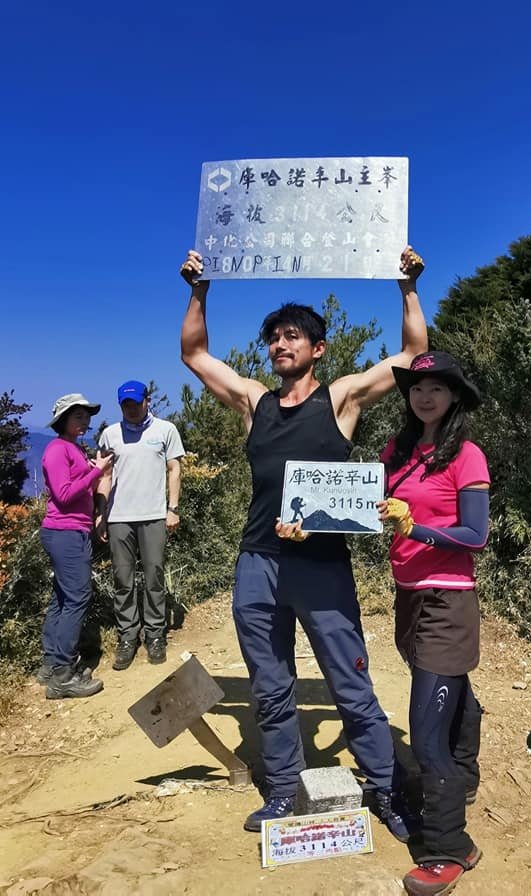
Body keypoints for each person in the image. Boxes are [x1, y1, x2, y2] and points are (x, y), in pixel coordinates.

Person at [179, 245, 427, 836]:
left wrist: (408, 287)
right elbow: (193, 353)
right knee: (270, 685)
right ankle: (284, 791)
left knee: (349, 680)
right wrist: (200, 288)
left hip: (320, 565)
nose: (280, 345)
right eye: (274, 338)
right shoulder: (252, 402)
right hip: (258, 563)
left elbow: (415, 354)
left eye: (293, 337)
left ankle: (387, 791)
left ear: (316, 349)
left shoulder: (340, 399)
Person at [377, 351, 490, 896]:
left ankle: (448, 846)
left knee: (424, 731)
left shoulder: (466, 456)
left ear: (454, 398)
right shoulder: (395, 453)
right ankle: (462, 775)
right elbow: (358, 507)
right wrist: (306, 523)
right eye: (417, 387)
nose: (424, 396)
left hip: (448, 601)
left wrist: (417, 528)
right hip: (408, 599)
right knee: (447, 689)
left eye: (437, 388)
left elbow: (476, 536)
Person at [95, 381, 185, 669]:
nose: (131, 409)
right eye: (126, 405)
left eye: (136, 402)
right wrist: (101, 513)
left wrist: (172, 509)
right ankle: (127, 637)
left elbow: (174, 470)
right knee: (123, 580)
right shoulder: (109, 435)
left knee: (154, 577)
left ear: (147, 400)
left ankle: (155, 634)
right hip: (119, 516)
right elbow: (104, 477)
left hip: (154, 515)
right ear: (120, 406)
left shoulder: (165, 430)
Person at [38, 393, 113, 699]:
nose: (85, 421)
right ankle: (63, 675)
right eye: (77, 416)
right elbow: (64, 495)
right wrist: (98, 472)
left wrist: (93, 469)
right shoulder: (57, 449)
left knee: (62, 598)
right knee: (78, 598)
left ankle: (51, 664)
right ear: (62, 421)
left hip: (71, 532)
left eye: (86, 416)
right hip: (65, 532)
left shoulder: (72, 448)